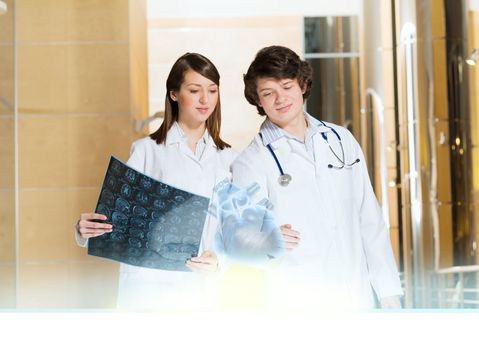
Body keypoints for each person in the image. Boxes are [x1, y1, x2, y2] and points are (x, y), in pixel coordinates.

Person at [231, 45, 403, 310]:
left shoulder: (341, 140)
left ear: (302, 85)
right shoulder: (250, 162)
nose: (280, 99)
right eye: (268, 93)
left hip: (356, 298)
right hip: (298, 306)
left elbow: (369, 220)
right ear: (258, 100)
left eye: (287, 86)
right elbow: (241, 244)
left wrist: (389, 294)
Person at [75, 52, 237, 310]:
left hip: (201, 290)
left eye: (212, 90)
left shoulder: (228, 158)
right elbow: (119, 219)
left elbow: (234, 230)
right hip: (149, 290)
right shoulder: (147, 150)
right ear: (174, 94)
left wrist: (220, 261)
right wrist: (86, 231)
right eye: (194, 90)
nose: (205, 99)